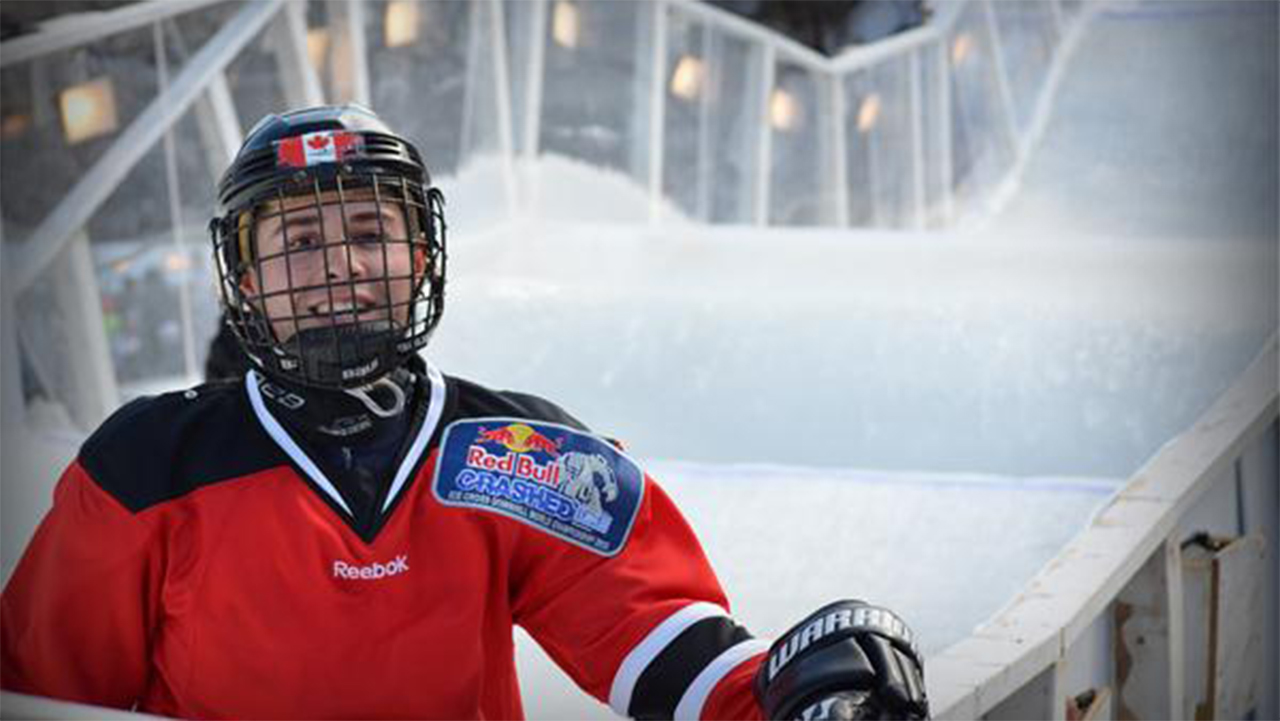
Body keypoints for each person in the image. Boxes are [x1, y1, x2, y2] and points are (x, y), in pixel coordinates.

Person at [0, 105, 928, 720]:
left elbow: (655, 638)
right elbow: (40, 694)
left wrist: (788, 694)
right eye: (300, 241)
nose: (340, 267)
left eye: (370, 232)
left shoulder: (510, 450)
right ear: (243, 279)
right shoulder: (144, 465)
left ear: (422, 257)